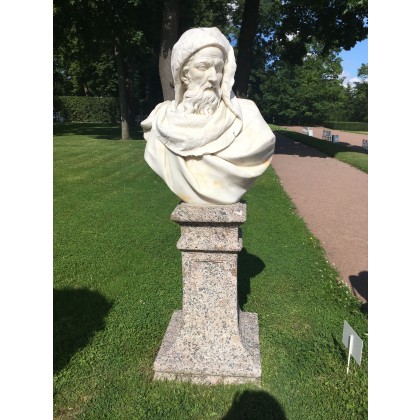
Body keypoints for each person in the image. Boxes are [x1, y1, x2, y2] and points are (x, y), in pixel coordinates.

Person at [141, 27, 275, 205]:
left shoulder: (249, 118)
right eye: (203, 67)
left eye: (218, 68)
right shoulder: (161, 120)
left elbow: (263, 142)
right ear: (184, 74)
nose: (213, 77)